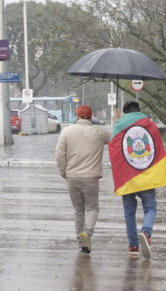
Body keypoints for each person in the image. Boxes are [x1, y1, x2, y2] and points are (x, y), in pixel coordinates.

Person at [109, 100, 166, 259]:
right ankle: (146, 232)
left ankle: (133, 245)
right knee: (150, 207)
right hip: (147, 175)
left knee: (129, 212)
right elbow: (157, 149)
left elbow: (114, 150)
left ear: (125, 112)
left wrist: (116, 122)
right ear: (139, 110)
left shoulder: (119, 126)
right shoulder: (150, 125)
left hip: (127, 178)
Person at [55, 105, 111, 254]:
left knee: (78, 209)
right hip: (91, 178)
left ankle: (82, 243)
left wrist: (63, 172)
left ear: (77, 116)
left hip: (72, 177)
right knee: (93, 208)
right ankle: (87, 232)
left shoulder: (66, 132)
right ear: (91, 117)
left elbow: (59, 155)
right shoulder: (100, 133)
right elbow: (114, 140)